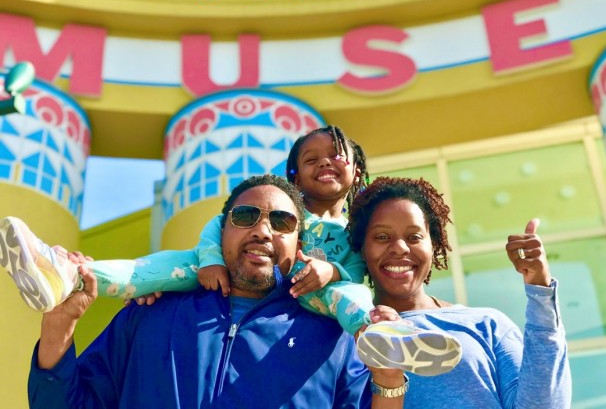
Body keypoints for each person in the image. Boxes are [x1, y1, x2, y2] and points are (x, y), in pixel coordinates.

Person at [1, 125, 462, 375]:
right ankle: (67, 274)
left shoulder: (355, 229)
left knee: (357, 302)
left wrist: (332, 276)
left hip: (314, 297)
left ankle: (379, 339)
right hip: (216, 271)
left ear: (357, 173)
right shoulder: (269, 206)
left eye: (337, 155)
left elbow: (359, 274)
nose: (325, 161)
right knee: (156, 268)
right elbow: (212, 231)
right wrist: (211, 262)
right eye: (311, 158)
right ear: (293, 177)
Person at [26, 175, 409, 409]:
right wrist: (59, 325)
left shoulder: (335, 339)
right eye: (245, 217)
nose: (262, 230)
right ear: (220, 232)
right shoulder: (149, 312)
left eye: (281, 221)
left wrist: (390, 382)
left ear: (299, 243)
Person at [347, 176, 572, 408]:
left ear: (433, 247)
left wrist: (541, 290)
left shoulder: (486, 324)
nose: (400, 248)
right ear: (361, 248)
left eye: (414, 237)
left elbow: (543, 404)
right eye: (382, 237)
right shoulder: (348, 336)